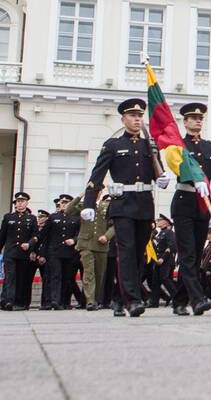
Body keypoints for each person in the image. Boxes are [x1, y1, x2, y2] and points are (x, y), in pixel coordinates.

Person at [81, 98, 162, 317]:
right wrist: (89, 203)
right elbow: (96, 176)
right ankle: (133, 300)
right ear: (123, 119)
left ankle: (119, 296)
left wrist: (162, 178)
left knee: (138, 255)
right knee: (126, 252)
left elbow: (158, 171)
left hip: (144, 205)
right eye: (132, 116)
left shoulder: (149, 145)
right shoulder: (113, 145)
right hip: (123, 205)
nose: (137, 119)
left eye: (139, 116)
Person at [169, 102, 211, 317]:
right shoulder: (177, 145)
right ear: (185, 121)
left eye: (200, 118)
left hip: (203, 206)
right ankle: (197, 299)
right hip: (184, 202)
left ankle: (179, 301)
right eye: (193, 118)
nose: (198, 121)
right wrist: (193, 178)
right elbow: (178, 167)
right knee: (188, 253)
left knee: (196, 254)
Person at [0, 191, 37, 310]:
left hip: (23, 254)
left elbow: (35, 236)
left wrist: (30, 246)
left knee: (21, 277)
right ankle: (8, 301)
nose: (20, 204)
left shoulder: (31, 218)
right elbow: (2, 236)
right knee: (10, 276)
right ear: (15, 204)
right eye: (18, 202)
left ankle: (18, 301)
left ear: (27, 203)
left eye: (23, 201)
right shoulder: (8, 217)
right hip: (10, 252)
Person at [65, 193, 111, 310]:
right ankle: (90, 301)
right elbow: (68, 211)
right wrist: (80, 196)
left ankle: (95, 299)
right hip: (85, 244)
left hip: (101, 245)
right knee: (88, 272)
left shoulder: (107, 205)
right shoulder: (83, 205)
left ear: (100, 191)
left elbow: (114, 224)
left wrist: (107, 236)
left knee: (99, 274)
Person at [149, 214, 176, 307]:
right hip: (158, 259)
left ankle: (176, 297)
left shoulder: (169, 233)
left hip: (166, 260)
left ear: (165, 222)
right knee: (155, 281)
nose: (157, 221)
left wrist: (163, 258)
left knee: (165, 278)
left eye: (159, 220)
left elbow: (170, 246)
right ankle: (154, 302)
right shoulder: (160, 233)